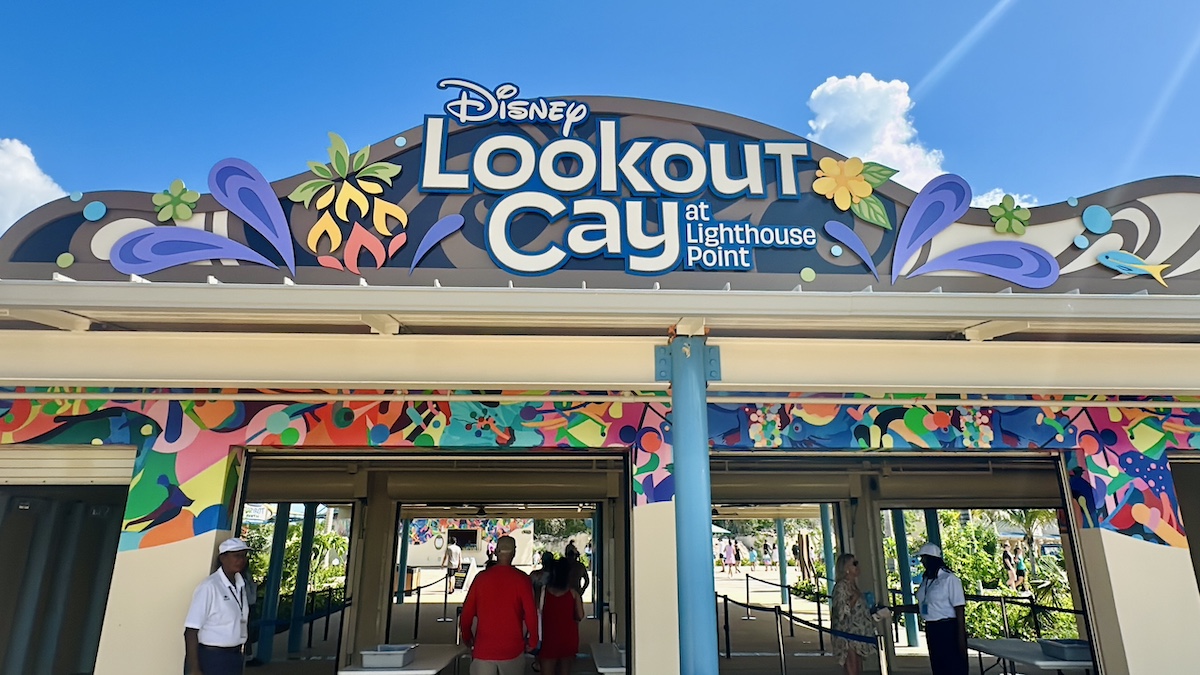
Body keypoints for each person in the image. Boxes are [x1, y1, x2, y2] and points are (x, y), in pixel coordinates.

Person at [460, 535, 538, 675]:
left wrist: (466, 636)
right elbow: (531, 613)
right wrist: (533, 640)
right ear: (514, 553)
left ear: (495, 552)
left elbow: (467, 613)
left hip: (484, 648)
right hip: (512, 648)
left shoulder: (481, 579)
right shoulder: (522, 579)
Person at [892, 543, 968, 675]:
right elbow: (924, 606)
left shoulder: (949, 579)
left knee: (952, 666)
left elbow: (959, 608)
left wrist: (961, 637)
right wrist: (900, 609)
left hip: (947, 628)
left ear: (932, 559)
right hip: (932, 628)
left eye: (924, 558)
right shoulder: (927, 579)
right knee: (938, 666)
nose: (922, 562)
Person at [184, 537, 251, 675]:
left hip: (234, 656)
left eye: (244, 556)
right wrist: (194, 668)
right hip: (213, 658)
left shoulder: (240, 585)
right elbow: (190, 631)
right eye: (236, 556)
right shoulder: (209, 587)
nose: (241, 560)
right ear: (223, 558)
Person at [830, 553, 878, 675]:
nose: (857, 566)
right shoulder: (841, 587)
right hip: (848, 635)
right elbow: (840, 612)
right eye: (854, 564)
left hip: (857, 634)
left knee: (858, 667)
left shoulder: (853, 585)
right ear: (846, 568)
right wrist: (854, 599)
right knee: (852, 668)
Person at [538, 558, 585, 675]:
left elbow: (538, 611)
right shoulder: (573, 594)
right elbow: (580, 615)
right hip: (568, 639)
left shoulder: (543, 592)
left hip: (548, 639)